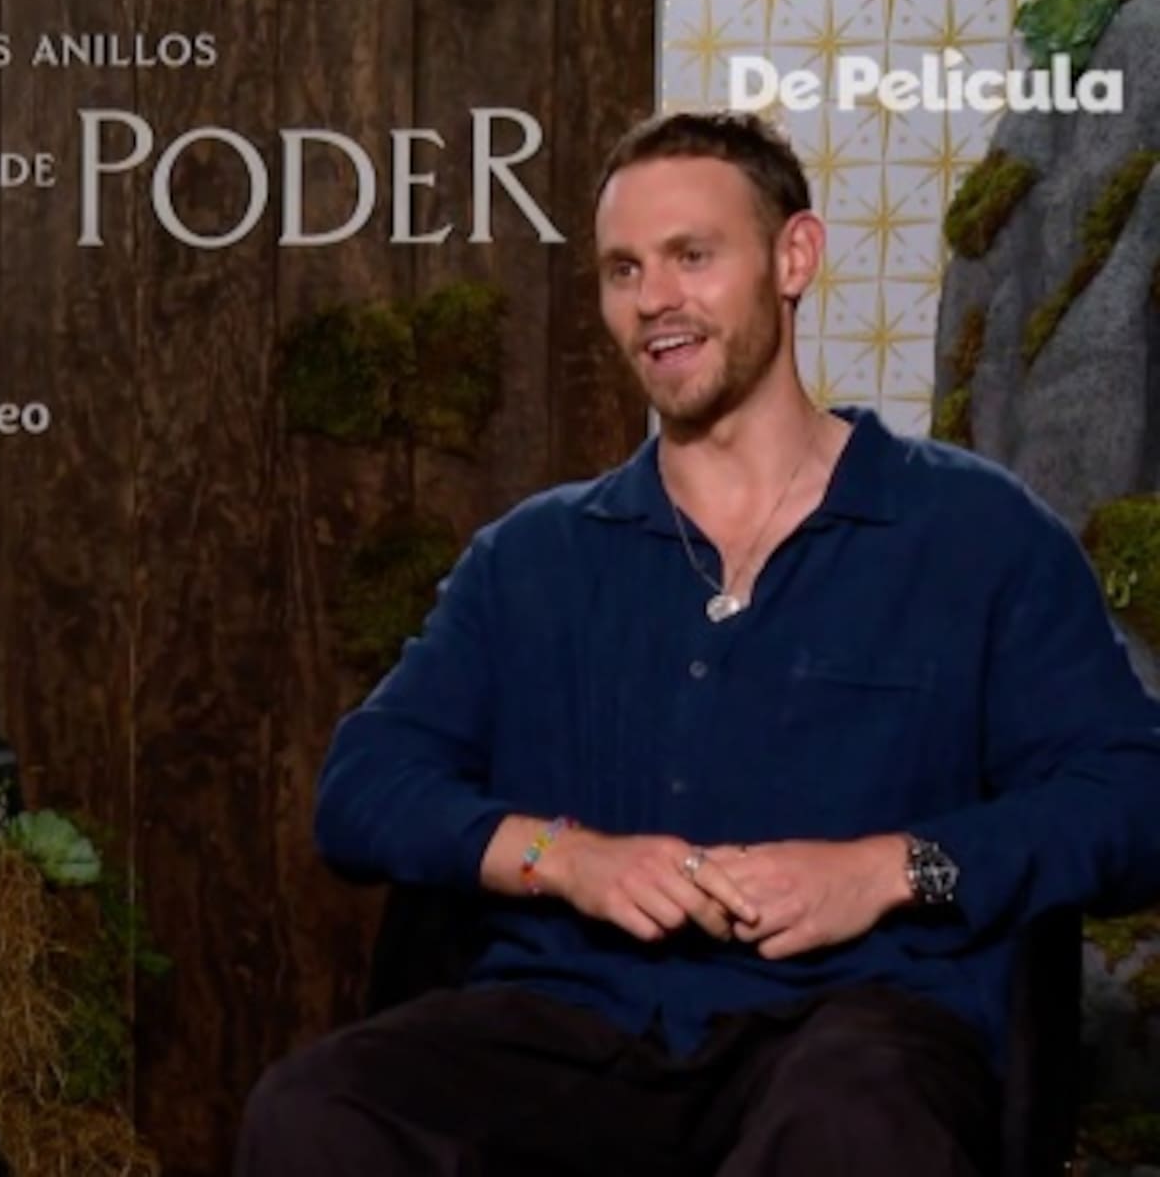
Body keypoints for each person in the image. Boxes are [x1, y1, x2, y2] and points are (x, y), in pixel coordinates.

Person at [235, 111, 1160, 1176]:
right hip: (574, 1030)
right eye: (623, 269)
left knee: (853, 1123)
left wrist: (889, 869)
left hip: (851, 1032)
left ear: (793, 258)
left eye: (692, 256)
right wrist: (563, 857)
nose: (653, 300)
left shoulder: (976, 534)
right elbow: (362, 789)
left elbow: (1131, 795)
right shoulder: (531, 558)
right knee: (315, 1108)